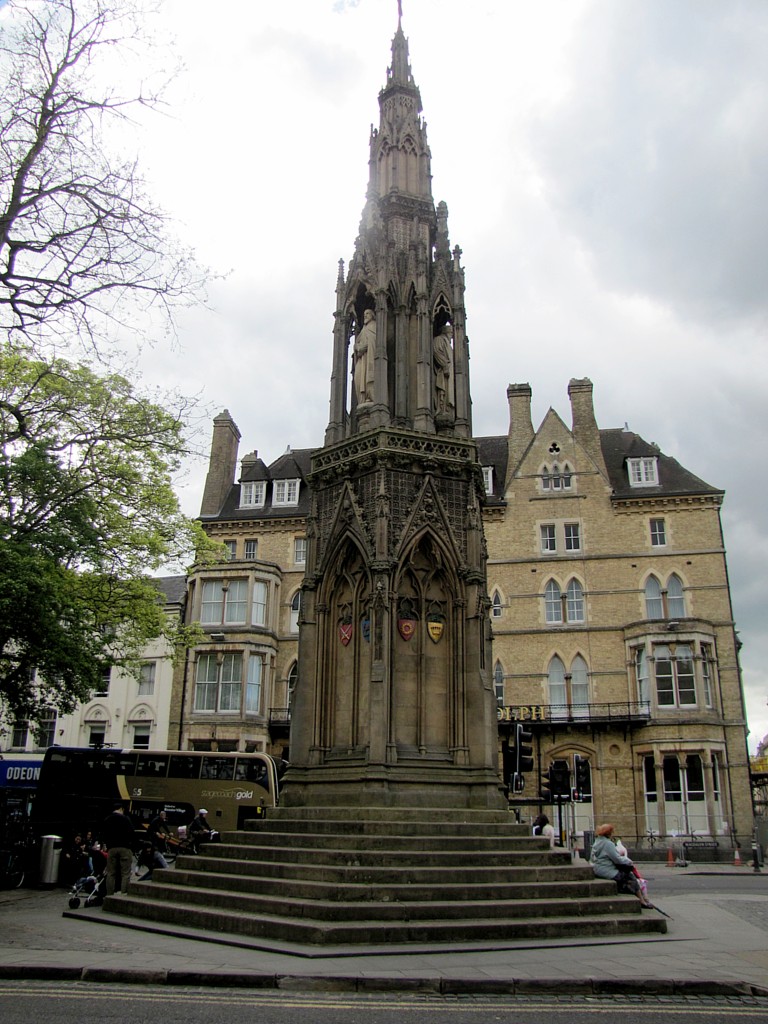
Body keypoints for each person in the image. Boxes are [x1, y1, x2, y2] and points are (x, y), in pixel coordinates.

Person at [590, 822, 653, 908]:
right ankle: (642, 901)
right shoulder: (608, 844)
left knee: (627, 877)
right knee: (630, 875)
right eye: (612, 832)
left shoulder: (597, 841)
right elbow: (617, 859)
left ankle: (642, 899)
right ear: (609, 833)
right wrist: (629, 861)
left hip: (597, 868)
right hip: (606, 870)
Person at [101, 802, 137, 896]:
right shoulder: (125, 819)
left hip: (112, 849)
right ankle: (123, 894)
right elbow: (132, 833)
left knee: (110, 873)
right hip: (125, 848)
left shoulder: (107, 819)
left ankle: (109, 895)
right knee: (125, 873)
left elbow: (103, 834)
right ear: (121, 809)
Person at [353, 308, 376, 405]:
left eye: (367, 313)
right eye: (364, 314)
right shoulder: (363, 329)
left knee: (369, 377)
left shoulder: (375, 326)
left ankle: (371, 398)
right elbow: (356, 343)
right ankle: (362, 400)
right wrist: (358, 348)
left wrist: (366, 346)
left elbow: (376, 341)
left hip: (370, 357)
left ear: (372, 315)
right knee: (357, 378)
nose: (365, 316)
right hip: (362, 358)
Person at [433, 323, 454, 413]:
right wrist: (445, 365)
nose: (452, 335)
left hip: (449, 370)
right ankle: (443, 409)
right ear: (446, 332)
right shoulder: (439, 339)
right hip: (444, 371)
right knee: (444, 391)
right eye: (451, 333)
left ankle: (447, 408)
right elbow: (437, 351)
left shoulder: (447, 342)